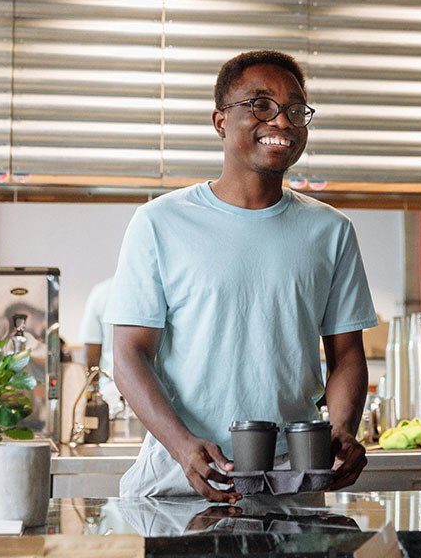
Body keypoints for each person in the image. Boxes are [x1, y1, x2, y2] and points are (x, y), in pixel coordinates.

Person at [107, 50, 377, 503]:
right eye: (261, 105)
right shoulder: (160, 222)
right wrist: (180, 445)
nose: (283, 122)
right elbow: (129, 354)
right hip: (182, 483)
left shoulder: (331, 231)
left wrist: (342, 430)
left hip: (292, 486)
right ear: (219, 121)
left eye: (295, 109)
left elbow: (347, 355)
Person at [79, 276, 124, 415]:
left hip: (112, 392)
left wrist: (92, 393)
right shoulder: (157, 288)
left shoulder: (102, 292)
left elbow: (91, 353)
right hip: (154, 392)